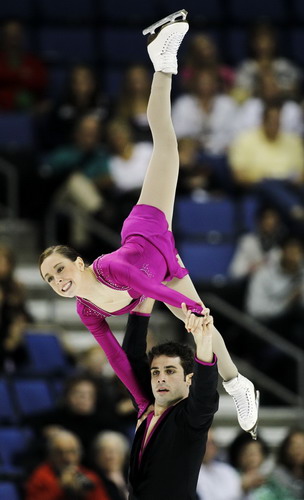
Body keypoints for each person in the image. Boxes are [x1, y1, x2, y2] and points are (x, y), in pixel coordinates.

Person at [38, 10, 258, 438]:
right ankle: (238, 385)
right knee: (206, 327)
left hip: (146, 230)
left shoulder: (106, 270)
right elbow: (119, 358)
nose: (57, 280)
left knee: (167, 144)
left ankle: (162, 63)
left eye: (60, 269)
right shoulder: (88, 311)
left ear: (79, 263)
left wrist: (190, 311)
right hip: (166, 264)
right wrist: (141, 402)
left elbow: (148, 291)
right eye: (49, 279)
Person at [25, 429, 110, 500]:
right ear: (51, 455)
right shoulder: (40, 475)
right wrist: (60, 487)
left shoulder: (88, 475)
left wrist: (85, 493)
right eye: (60, 453)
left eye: (72, 452)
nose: (67, 458)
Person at [196, 429, 242, 500]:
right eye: (207, 443)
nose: (210, 447)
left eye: (212, 443)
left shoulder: (227, 470)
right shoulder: (191, 474)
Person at [92, 431, 130, 500]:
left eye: (114, 451)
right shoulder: (94, 479)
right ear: (97, 456)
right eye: (104, 452)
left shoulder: (133, 475)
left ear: (123, 454)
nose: (109, 456)